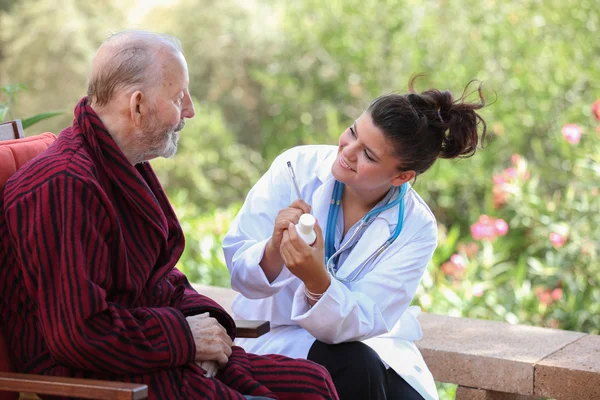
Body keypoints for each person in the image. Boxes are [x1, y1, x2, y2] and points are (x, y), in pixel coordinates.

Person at [0, 30, 338, 400]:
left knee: (312, 383)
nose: (190, 110)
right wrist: (184, 338)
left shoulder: (123, 162)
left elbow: (158, 275)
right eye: (179, 97)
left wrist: (207, 328)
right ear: (138, 105)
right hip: (98, 377)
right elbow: (79, 333)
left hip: (149, 348)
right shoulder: (61, 186)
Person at [223, 76, 488, 400]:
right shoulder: (295, 170)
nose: (347, 151)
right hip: (275, 335)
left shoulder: (416, 227)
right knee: (356, 369)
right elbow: (240, 273)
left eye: (369, 156)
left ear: (402, 176)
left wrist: (316, 280)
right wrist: (274, 251)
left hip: (371, 344)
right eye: (352, 132)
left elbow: (364, 318)